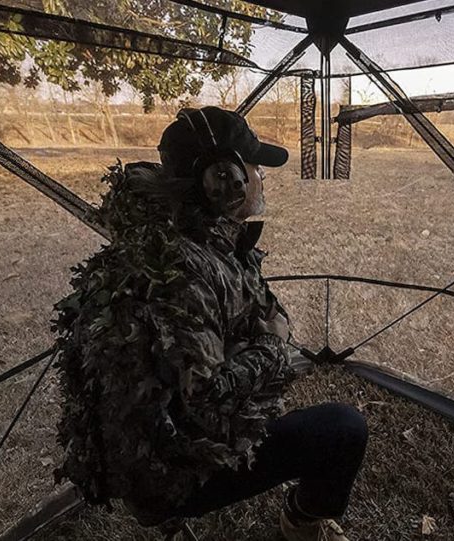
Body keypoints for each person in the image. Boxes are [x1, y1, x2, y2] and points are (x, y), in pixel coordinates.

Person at [53, 106, 367, 541]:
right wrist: (273, 347)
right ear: (223, 178)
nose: (260, 178)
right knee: (342, 430)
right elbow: (206, 396)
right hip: (167, 477)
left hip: (145, 456)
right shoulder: (186, 272)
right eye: (254, 167)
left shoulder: (168, 239)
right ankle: (300, 521)